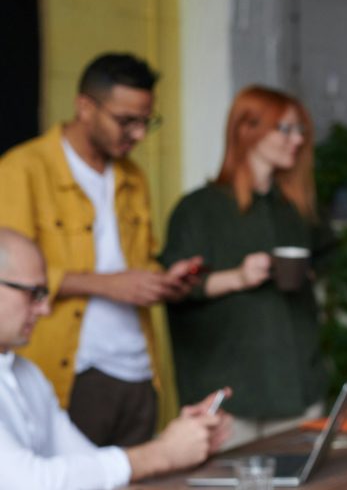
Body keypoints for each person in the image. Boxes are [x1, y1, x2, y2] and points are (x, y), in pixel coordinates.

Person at [0, 53, 203, 447]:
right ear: (85, 108)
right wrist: (108, 285)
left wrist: (162, 282)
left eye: (147, 122)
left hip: (139, 371)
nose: (139, 134)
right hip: (72, 371)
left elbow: (136, 262)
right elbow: (10, 276)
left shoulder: (133, 177)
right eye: (127, 121)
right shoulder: (22, 169)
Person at [159, 86, 329, 448]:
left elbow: (327, 258)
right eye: (285, 129)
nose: (297, 140)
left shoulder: (296, 209)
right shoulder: (198, 208)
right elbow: (173, 286)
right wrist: (237, 277)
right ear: (246, 130)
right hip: (232, 398)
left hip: (299, 385)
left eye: (300, 130)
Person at [0, 228, 231, 489]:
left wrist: (182, 443)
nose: (45, 308)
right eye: (33, 293)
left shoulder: (28, 374)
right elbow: (28, 483)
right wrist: (162, 454)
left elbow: (86, 462)